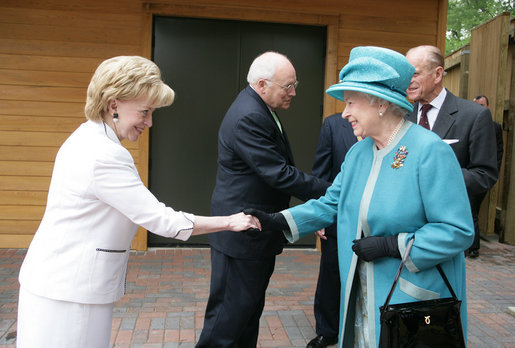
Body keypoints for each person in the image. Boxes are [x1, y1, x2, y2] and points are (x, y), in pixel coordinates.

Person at [16, 56, 261, 348]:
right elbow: (161, 220)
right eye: (145, 111)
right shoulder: (105, 154)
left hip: (59, 284)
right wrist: (231, 221)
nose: (150, 122)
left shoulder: (87, 137)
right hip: (70, 292)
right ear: (114, 104)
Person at [246, 46, 474, 347]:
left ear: (379, 103)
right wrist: (278, 221)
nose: (345, 112)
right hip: (364, 294)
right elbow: (332, 202)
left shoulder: (430, 152)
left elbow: (458, 231)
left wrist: (394, 245)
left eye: (351, 102)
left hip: (413, 300)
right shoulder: (358, 153)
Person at [196, 51, 330, 347]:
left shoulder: (258, 107)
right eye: (288, 86)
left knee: (246, 314)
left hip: (254, 234)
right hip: (242, 237)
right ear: (262, 84)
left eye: (295, 84)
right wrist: (332, 191)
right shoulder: (249, 116)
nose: (294, 92)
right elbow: (279, 174)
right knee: (227, 321)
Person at [405, 45, 498, 258]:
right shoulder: (401, 115)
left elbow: (485, 176)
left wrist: (434, 177)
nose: (408, 80)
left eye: (415, 73)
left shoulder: (473, 116)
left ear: (438, 74)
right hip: (402, 232)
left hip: (444, 232)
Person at [307, 114, 357, 348]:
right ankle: (327, 330)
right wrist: (320, 216)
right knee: (331, 273)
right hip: (339, 217)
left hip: (380, 222)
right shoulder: (333, 124)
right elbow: (321, 173)